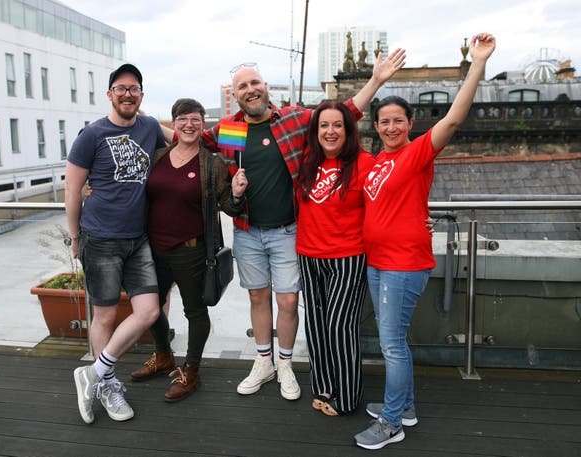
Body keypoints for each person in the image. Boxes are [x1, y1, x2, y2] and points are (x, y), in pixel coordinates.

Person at [199, 49, 406, 401]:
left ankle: (285, 365)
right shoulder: (230, 128)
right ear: (235, 95)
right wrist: (141, 122)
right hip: (248, 231)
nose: (250, 90)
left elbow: (343, 115)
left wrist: (377, 80)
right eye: (242, 86)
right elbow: (188, 137)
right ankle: (263, 362)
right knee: (257, 297)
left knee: (289, 302)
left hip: (287, 231)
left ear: (264, 86)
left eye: (254, 82)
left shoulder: (292, 119)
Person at [355, 33, 496, 450]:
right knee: (392, 340)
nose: (392, 126)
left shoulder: (417, 153)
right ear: (376, 127)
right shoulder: (375, 161)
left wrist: (478, 64)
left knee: (392, 344)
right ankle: (406, 407)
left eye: (399, 120)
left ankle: (393, 421)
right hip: (377, 261)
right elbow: (336, 124)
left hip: (403, 263)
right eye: (385, 121)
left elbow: (453, 118)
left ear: (409, 124)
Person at [129, 98, 248, 402]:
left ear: (203, 123)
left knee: (195, 311)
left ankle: (191, 370)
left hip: (191, 251)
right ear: (174, 124)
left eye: (196, 119)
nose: (189, 124)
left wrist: (236, 194)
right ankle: (163, 355)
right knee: (150, 308)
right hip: (153, 248)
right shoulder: (158, 157)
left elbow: (229, 208)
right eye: (183, 119)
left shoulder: (212, 162)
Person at [65, 63, 165, 424]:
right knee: (105, 315)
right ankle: (106, 386)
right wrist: (75, 239)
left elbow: (189, 137)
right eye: (121, 88)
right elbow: (73, 191)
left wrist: (240, 131)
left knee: (149, 312)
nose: (128, 94)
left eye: (134, 88)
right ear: (110, 94)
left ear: (141, 94)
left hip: (138, 239)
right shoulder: (91, 135)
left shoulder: (150, 126)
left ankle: (93, 373)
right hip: (100, 239)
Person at [295, 101, 376, 415]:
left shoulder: (365, 163)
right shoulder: (306, 160)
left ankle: (348, 395)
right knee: (316, 325)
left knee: (340, 326)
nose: (330, 132)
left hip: (348, 256)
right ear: (315, 132)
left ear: (349, 129)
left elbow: (390, 198)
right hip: (308, 254)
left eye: (337, 125)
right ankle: (324, 386)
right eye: (323, 126)